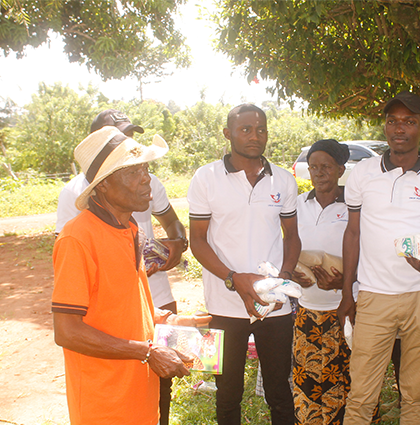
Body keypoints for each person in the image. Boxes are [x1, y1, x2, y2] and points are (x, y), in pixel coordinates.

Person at [52, 126, 201, 424]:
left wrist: (168, 320)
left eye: (145, 168)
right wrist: (148, 352)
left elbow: (122, 305)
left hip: (139, 394)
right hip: (104, 404)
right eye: (133, 171)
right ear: (104, 185)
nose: (146, 178)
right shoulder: (77, 239)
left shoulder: (130, 230)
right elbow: (67, 331)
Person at [337, 91, 420, 425]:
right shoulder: (363, 173)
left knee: (416, 393)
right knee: (361, 394)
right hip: (375, 295)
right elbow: (353, 233)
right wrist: (348, 292)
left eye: (409, 121)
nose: (399, 128)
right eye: (392, 121)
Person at [187, 103, 301, 425]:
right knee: (227, 394)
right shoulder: (206, 177)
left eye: (261, 129)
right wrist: (232, 278)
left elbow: (292, 237)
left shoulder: (283, 180)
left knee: (280, 391)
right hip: (223, 304)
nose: (255, 136)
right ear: (228, 133)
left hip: (273, 305)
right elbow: (198, 241)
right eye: (246, 129)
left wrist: (284, 280)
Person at [292, 139, 350, 425]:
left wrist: (344, 281)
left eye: (326, 166)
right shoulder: (298, 205)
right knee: (309, 383)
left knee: (346, 382)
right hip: (307, 310)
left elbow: (369, 253)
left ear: (340, 170)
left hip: (347, 309)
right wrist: (292, 271)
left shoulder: (354, 205)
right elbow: (287, 246)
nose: (319, 173)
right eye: (313, 167)